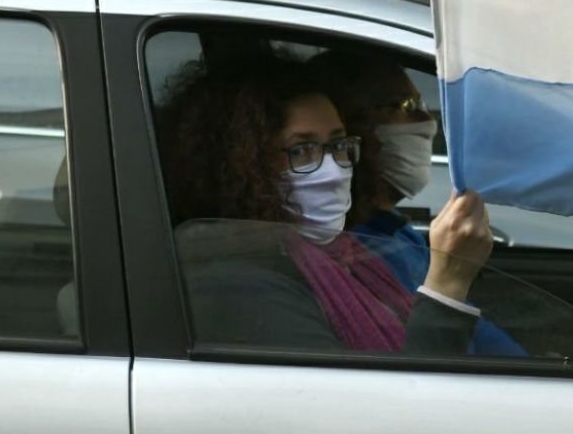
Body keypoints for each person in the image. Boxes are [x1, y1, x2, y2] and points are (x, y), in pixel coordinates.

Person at [157, 55, 494, 354]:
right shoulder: (232, 279)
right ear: (240, 166)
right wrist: (447, 285)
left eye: (338, 145)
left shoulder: (345, 255)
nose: (334, 169)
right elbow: (394, 412)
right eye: (302, 151)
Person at [308, 50, 525, 356]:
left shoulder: (396, 234)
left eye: (421, 104)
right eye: (404, 106)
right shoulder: (354, 252)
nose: (427, 121)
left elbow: (474, 327)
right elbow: (422, 356)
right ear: (355, 127)